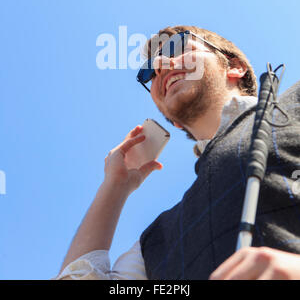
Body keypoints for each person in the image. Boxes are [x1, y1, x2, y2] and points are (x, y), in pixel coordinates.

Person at [56, 25, 300, 280]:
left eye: (178, 47)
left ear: (234, 66)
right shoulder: (155, 241)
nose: (160, 65)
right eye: (149, 72)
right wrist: (114, 186)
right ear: (173, 121)